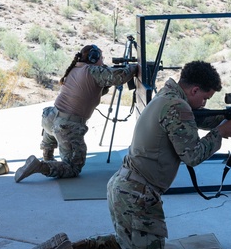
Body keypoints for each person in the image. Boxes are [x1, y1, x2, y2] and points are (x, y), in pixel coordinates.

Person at [25, 61, 231, 249]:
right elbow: (192, 156)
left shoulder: (166, 97)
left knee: (128, 242)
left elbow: (193, 119)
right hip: (138, 194)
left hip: (125, 186)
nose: (204, 103)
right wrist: (219, 133)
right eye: (204, 98)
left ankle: (70, 248)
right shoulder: (178, 106)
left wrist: (225, 120)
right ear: (194, 90)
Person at [14, 44, 139, 182]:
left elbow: (89, 91)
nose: (103, 61)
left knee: (54, 130)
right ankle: (40, 166)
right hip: (67, 126)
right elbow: (120, 77)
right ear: (93, 58)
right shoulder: (92, 71)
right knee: (73, 168)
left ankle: (48, 156)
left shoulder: (76, 68)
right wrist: (134, 68)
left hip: (50, 118)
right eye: (101, 58)